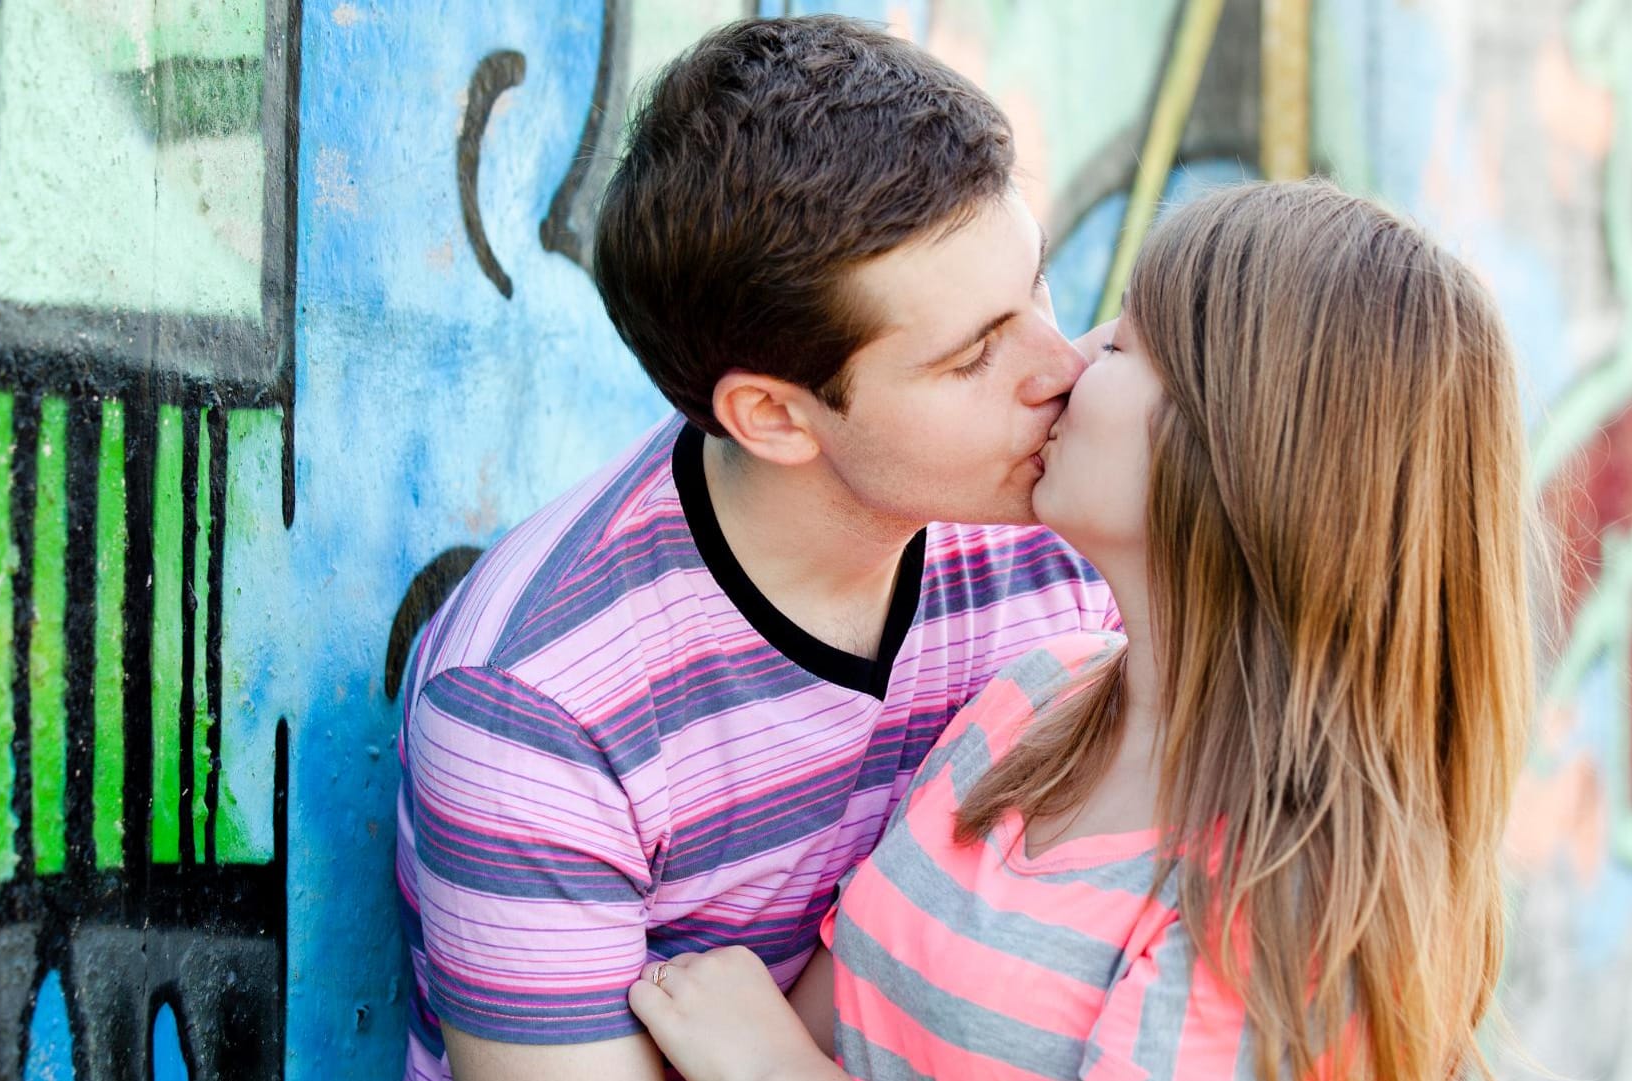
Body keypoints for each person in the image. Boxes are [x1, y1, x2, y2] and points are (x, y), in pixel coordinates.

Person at [626, 180, 1538, 1081]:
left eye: (1126, 342)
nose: (1069, 362)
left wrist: (768, 1065)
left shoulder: (1291, 902)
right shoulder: (1030, 699)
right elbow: (841, 1016)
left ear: (1235, 452)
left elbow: (769, 1043)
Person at [394, 16, 1120, 1081]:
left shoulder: (1071, 542)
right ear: (776, 418)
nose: (1060, 368)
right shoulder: (538, 706)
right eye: (975, 355)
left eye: (1037, 289)